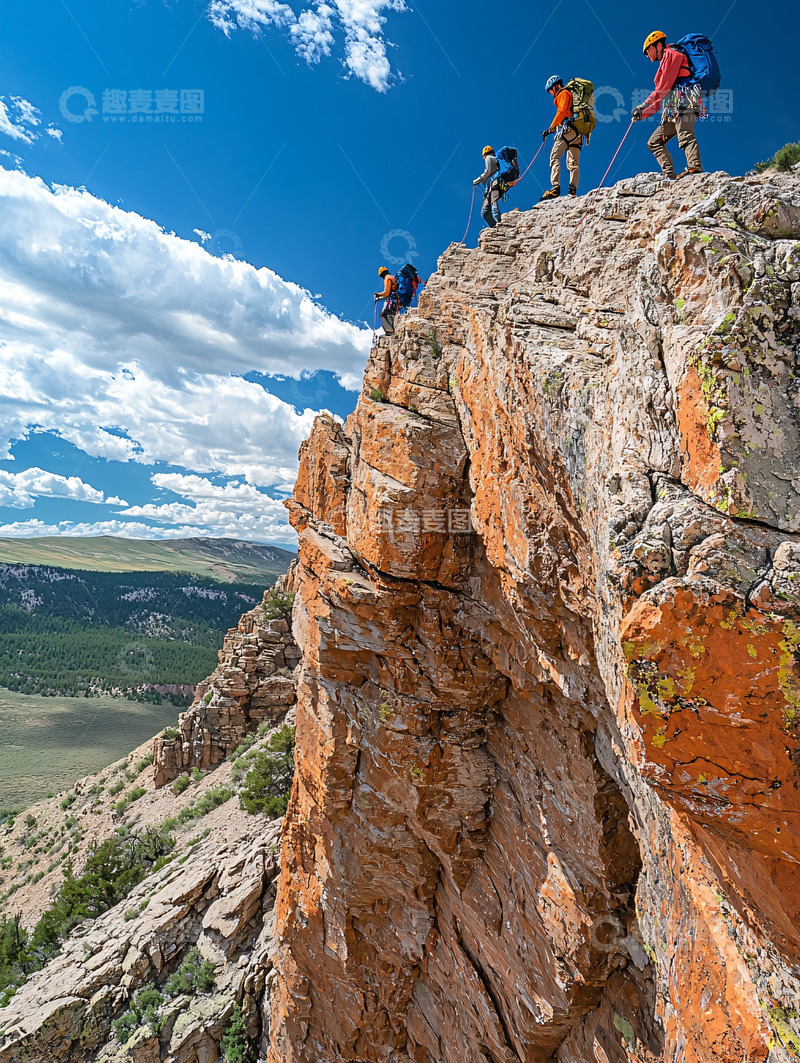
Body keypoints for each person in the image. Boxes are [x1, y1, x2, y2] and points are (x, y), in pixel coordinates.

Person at [632, 30, 702, 180]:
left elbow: (663, 87)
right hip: (672, 110)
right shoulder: (664, 62)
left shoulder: (672, 54)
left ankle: (694, 169)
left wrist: (643, 106)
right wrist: (642, 113)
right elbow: (660, 99)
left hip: (685, 101)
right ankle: (669, 174)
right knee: (654, 142)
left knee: (685, 135)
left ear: (658, 45)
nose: (647, 55)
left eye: (648, 50)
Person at [540, 75, 582, 200]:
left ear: (556, 86)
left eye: (551, 91)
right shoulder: (573, 96)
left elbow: (562, 111)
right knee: (573, 163)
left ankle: (555, 188)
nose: (552, 94)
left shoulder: (563, 93)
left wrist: (550, 128)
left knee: (554, 156)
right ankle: (572, 191)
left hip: (568, 130)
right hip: (579, 132)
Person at [473, 145, 502, 228]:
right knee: (485, 212)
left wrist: (477, 180)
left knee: (491, 207)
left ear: (484, 155)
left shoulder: (489, 158)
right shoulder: (497, 160)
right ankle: (496, 226)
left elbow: (488, 172)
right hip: (496, 183)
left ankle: (499, 224)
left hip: (494, 184)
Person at [374, 266, 398, 335]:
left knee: (384, 314)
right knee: (389, 314)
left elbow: (387, 292)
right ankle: (392, 330)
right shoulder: (392, 277)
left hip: (392, 300)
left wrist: (378, 294)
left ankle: (390, 331)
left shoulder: (387, 278)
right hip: (395, 299)